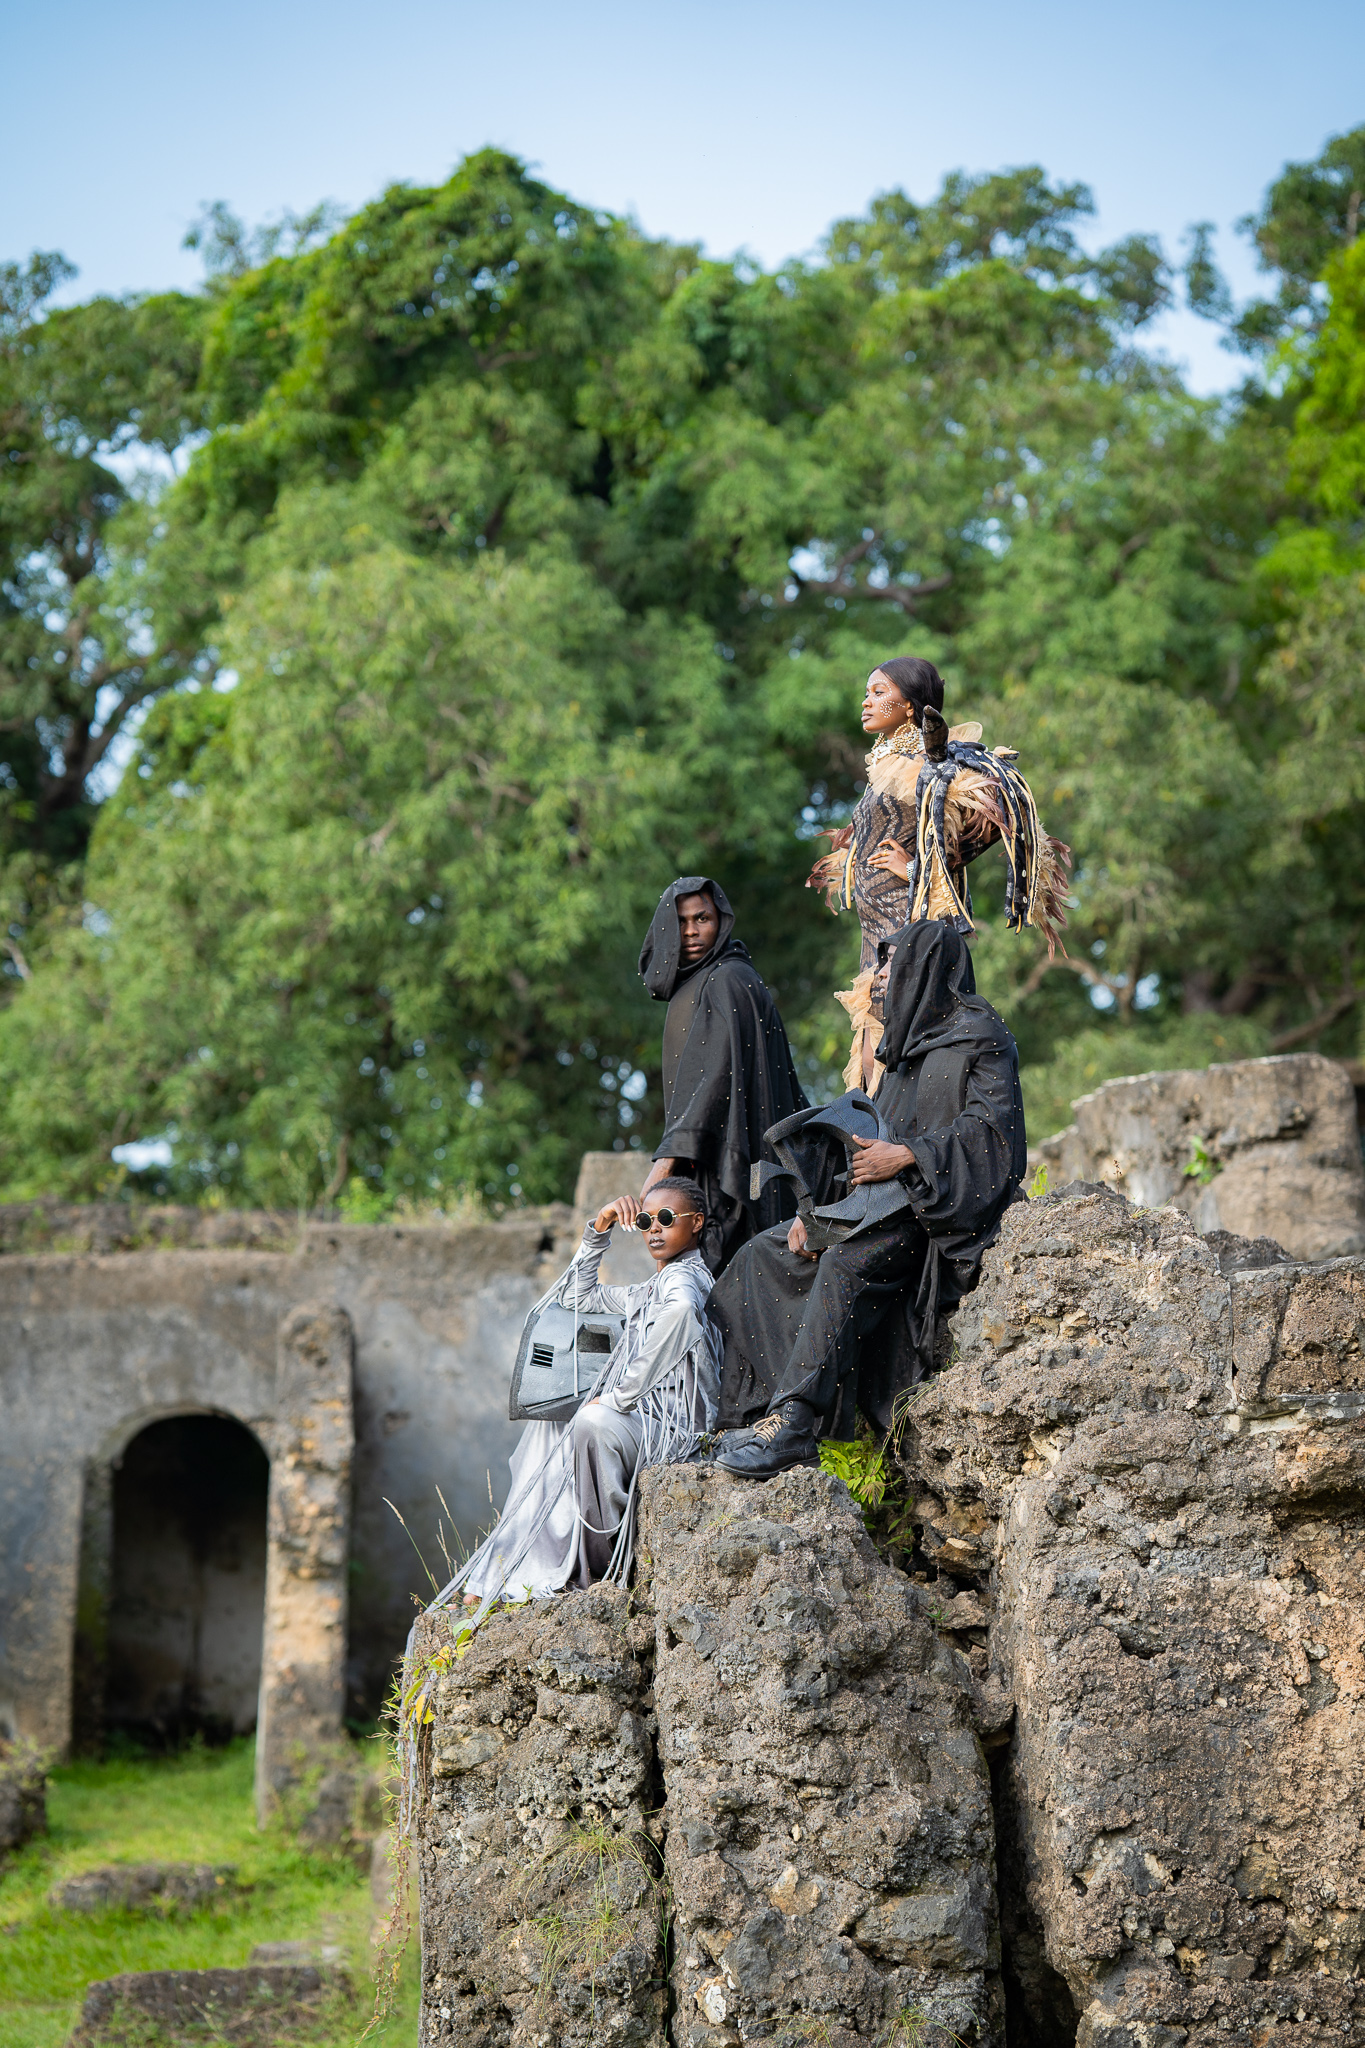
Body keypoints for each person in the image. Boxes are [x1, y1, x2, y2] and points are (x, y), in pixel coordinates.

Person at [708, 920, 1026, 1479]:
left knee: (842, 1264)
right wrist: (817, 1214)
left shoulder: (982, 1036)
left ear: (923, 967)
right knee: (759, 1256)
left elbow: (993, 1138)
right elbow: (866, 1146)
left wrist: (908, 1156)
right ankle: (748, 1419)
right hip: (873, 1209)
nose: (877, 976)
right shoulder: (901, 1053)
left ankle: (794, 1427)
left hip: (934, 1221)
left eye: (889, 963)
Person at [437, 1179, 721, 1617]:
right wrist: (600, 1227)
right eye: (646, 1222)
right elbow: (575, 1296)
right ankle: (508, 1566)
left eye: (667, 1219)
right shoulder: (648, 1291)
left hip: (673, 1429)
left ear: (697, 1223)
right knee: (550, 1419)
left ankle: (597, 1573)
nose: (654, 1231)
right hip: (642, 1420)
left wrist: (620, 1398)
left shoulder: (688, 1280)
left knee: (593, 1421)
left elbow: (683, 1312)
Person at [807, 656, 1069, 1089]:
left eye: (878, 693)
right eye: (867, 692)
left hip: (906, 925)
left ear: (909, 705)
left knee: (894, 1053)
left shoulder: (927, 764)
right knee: (872, 1056)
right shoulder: (886, 762)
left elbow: (992, 814)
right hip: (875, 932)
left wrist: (914, 868)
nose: (866, 702)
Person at [638, 876, 809, 1277]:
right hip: (718, 1167)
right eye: (681, 922)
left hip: (731, 1170)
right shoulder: (708, 980)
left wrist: (664, 1167)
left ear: (722, 922)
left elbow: (712, 1078)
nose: (692, 931)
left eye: (703, 918)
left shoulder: (727, 979)